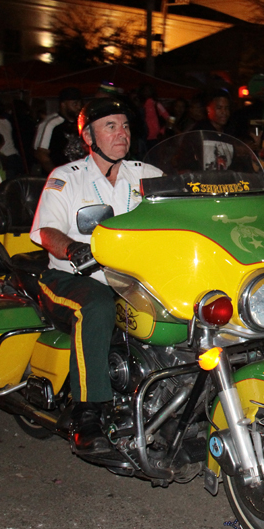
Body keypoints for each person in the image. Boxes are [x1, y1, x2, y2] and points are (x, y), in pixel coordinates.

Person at [29, 98, 163, 455]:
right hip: (74, 278)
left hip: (135, 278)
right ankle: (88, 412)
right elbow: (47, 232)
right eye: (111, 126)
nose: (122, 133)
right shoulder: (66, 177)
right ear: (88, 135)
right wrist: (74, 249)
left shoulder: (146, 174)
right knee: (99, 306)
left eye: (126, 126)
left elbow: (181, 207)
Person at [33, 87, 84, 175]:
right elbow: (41, 154)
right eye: (74, 104)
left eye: (80, 103)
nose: (79, 107)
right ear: (63, 104)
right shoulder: (51, 123)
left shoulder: (80, 123)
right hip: (59, 177)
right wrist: (56, 174)